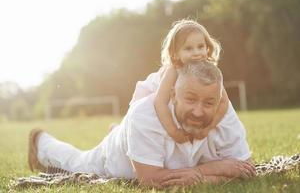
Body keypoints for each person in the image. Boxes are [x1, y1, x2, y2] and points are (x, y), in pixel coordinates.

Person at [28, 60, 255, 188]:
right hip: (116, 161)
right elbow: (151, 181)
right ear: (173, 96)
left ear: (219, 101)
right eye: (190, 99)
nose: (199, 111)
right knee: (77, 161)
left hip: (140, 141)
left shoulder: (224, 115)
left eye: (208, 102)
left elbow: (246, 169)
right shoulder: (145, 115)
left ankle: (119, 131)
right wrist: (214, 170)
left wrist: (196, 176)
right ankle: (41, 143)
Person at [117, 19, 229, 143]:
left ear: (207, 48)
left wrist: (208, 128)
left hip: (174, 97)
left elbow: (224, 102)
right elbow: (160, 102)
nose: (196, 53)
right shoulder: (174, 70)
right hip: (150, 92)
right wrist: (174, 132)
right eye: (188, 49)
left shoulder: (209, 72)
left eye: (200, 47)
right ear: (175, 54)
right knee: (135, 123)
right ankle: (116, 129)